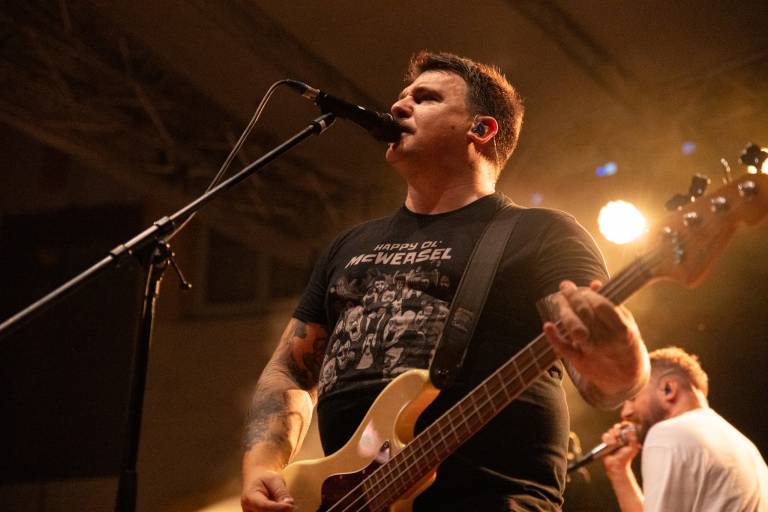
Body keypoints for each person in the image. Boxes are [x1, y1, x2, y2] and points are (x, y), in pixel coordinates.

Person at [241, 51, 650, 512]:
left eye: (425, 98)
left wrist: (623, 358)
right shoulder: (348, 245)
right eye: (402, 97)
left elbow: (601, 381)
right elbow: (291, 370)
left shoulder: (542, 234)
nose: (399, 106)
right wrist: (262, 467)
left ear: (482, 129)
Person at [601, 346, 768, 512]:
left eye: (633, 398)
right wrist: (618, 471)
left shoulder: (667, 433)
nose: (625, 413)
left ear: (668, 389)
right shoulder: (744, 445)